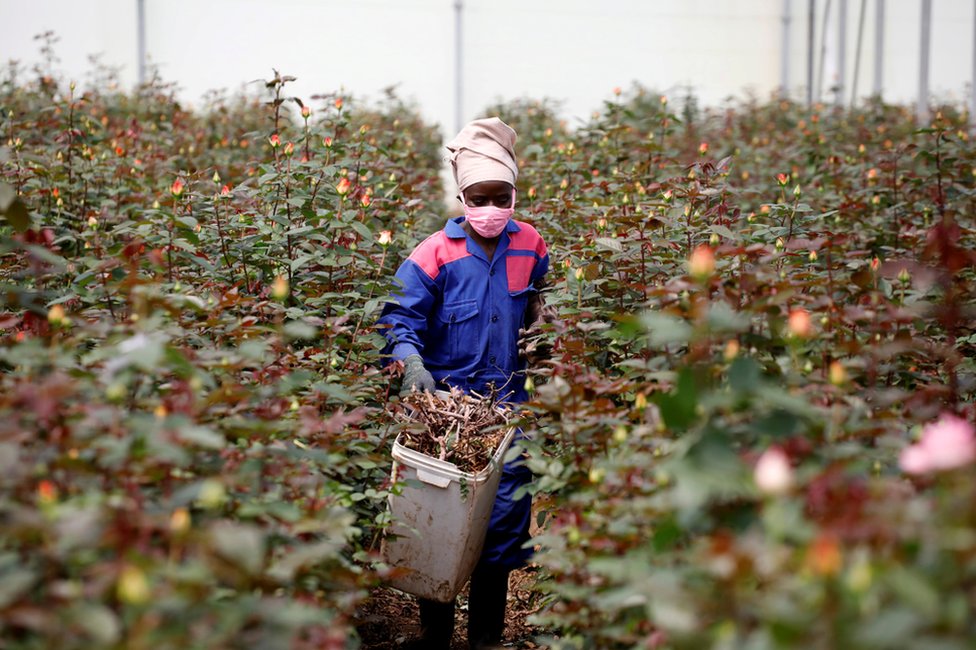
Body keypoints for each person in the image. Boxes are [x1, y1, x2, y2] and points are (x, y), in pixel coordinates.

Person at [378, 117, 550, 649]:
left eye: (502, 196)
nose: (492, 207)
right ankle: (433, 636)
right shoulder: (434, 253)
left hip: (508, 413)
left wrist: (546, 336)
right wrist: (411, 365)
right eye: (481, 197)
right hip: (447, 409)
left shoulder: (532, 246)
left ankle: (485, 639)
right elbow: (399, 320)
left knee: (501, 525)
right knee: (440, 522)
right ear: (463, 196)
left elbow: (541, 306)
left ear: (515, 192)